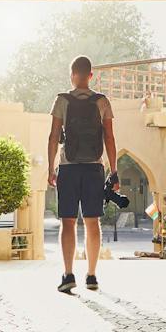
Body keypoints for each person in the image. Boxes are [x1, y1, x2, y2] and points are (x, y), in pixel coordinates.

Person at [47, 55, 118, 293]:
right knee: (92, 222)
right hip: (94, 168)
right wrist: (114, 170)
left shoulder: (62, 100)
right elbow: (109, 137)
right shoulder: (102, 101)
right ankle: (91, 275)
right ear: (90, 75)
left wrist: (50, 167)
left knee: (68, 222)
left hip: (68, 167)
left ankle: (68, 274)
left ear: (72, 75)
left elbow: (54, 136)